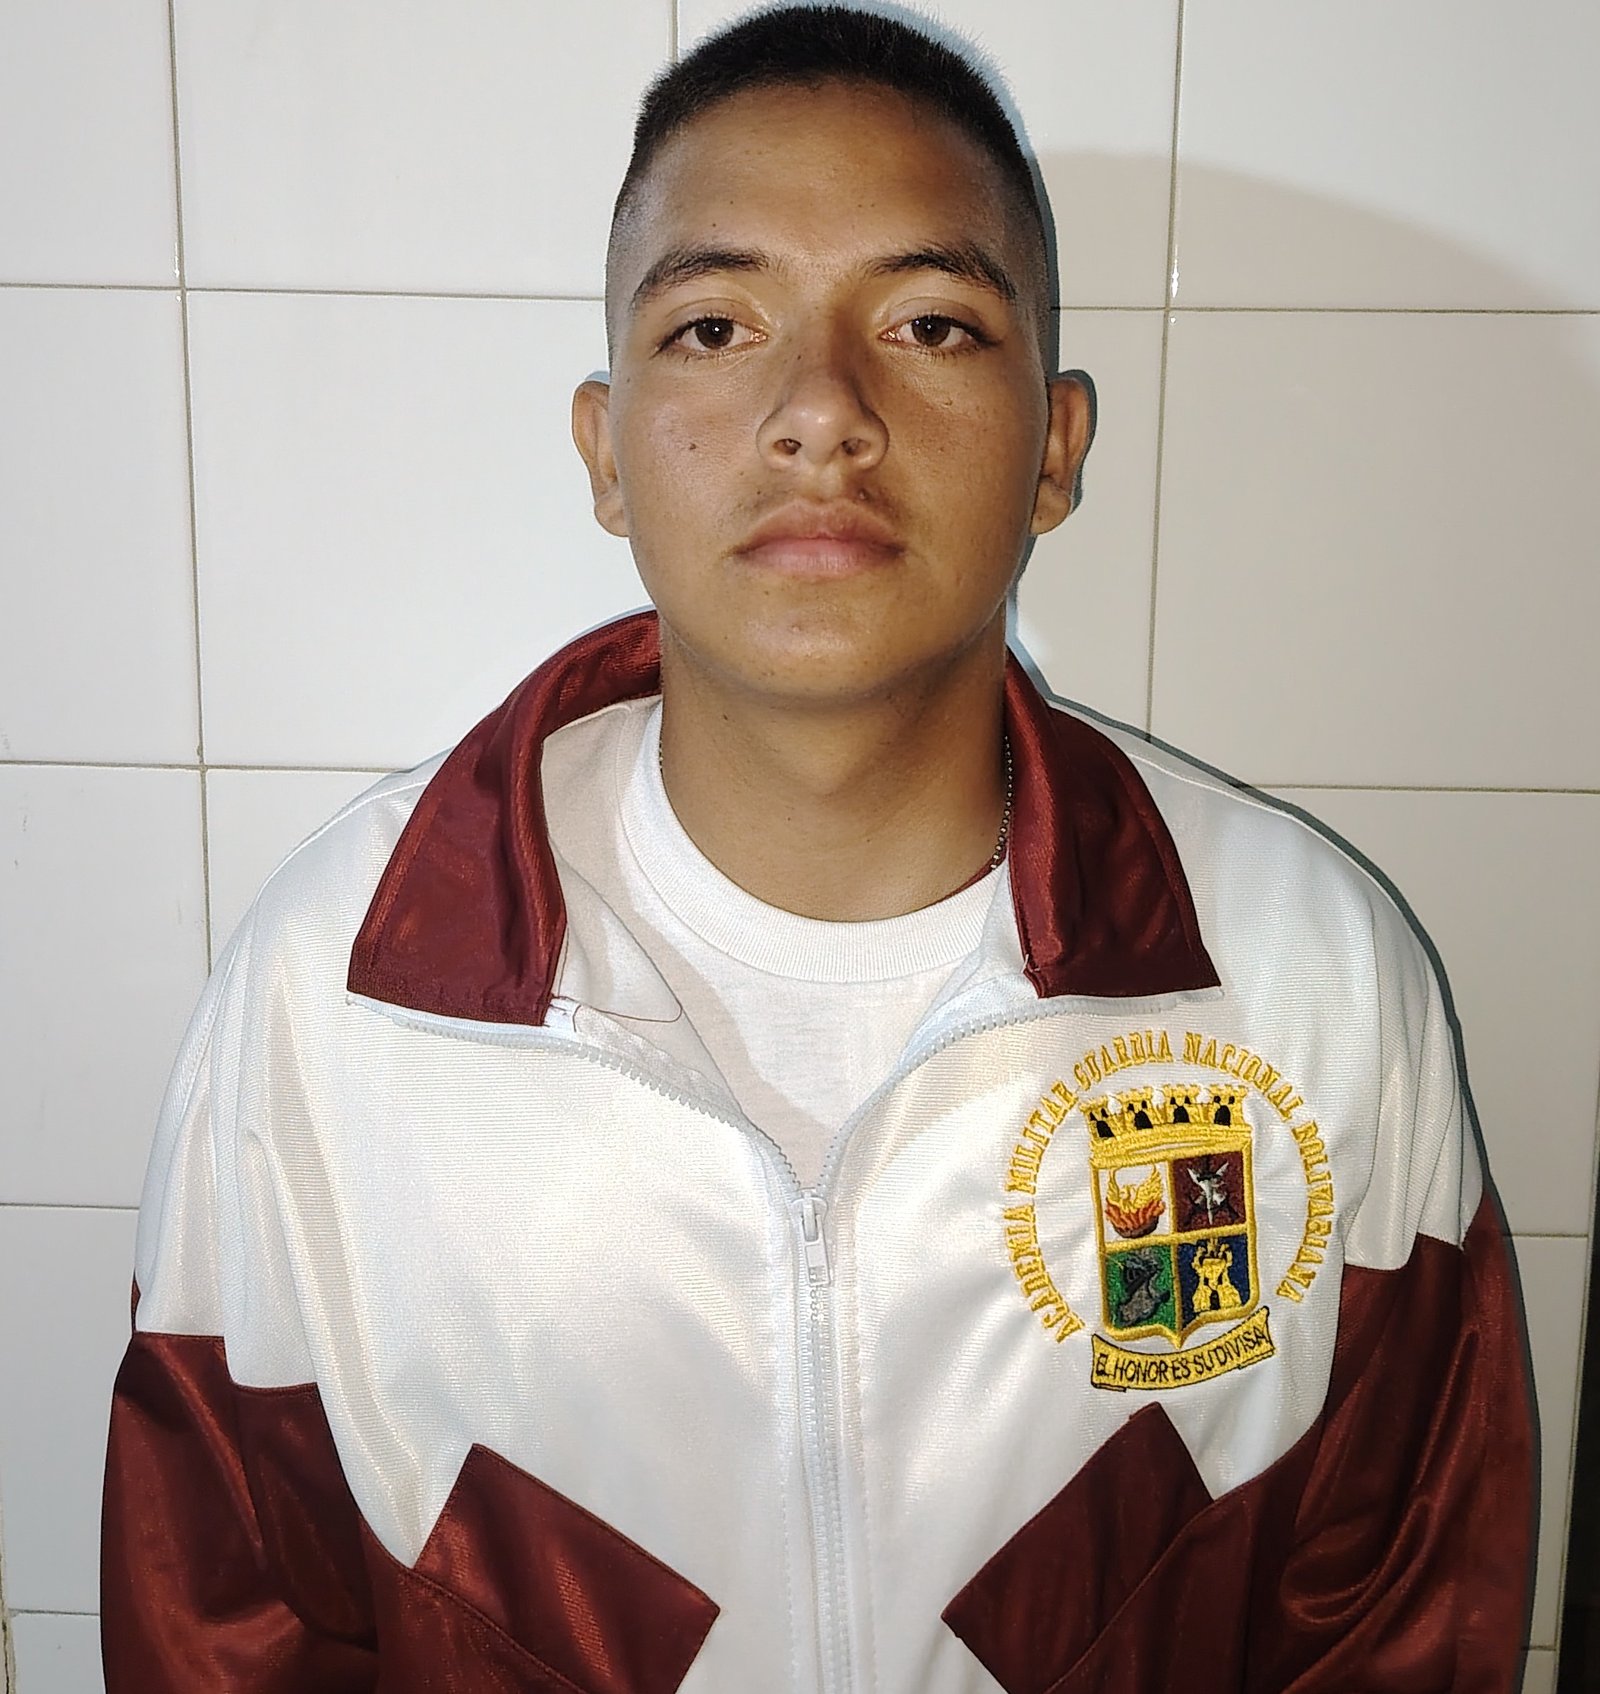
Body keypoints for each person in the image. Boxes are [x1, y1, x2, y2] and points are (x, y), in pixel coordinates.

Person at [101, 6, 1535, 1690]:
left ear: (1055, 447)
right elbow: (231, 1622)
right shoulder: (336, 1003)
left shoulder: (1309, 983)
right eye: (715, 325)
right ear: (605, 451)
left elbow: (1392, 1620)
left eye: (929, 323)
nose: (820, 413)